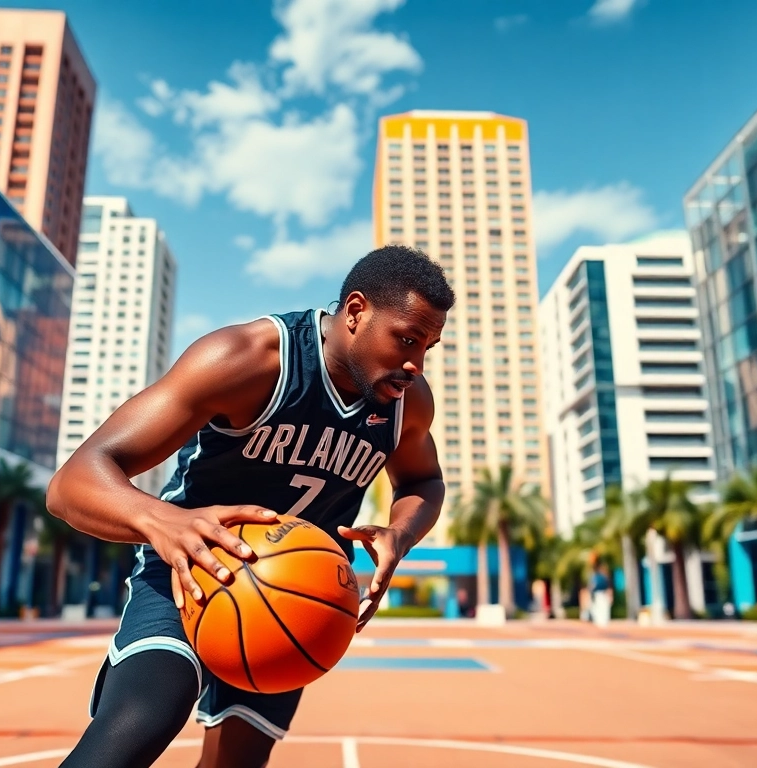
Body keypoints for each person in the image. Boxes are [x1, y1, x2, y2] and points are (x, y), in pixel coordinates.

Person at [47, 245, 453, 768]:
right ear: (356, 312)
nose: (415, 364)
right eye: (407, 339)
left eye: (429, 347)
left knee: (236, 763)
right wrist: (165, 521)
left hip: (296, 593)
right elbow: (72, 482)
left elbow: (424, 479)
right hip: (191, 574)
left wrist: (402, 531)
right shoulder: (247, 359)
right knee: (142, 722)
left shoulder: (407, 400)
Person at [590, 563, 613, 628]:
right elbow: (592, 586)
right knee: (597, 609)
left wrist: (610, 595)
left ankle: (603, 622)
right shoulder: (596, 577)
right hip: (597, 594)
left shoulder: (604, 578)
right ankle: (599, 622)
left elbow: (609, 587)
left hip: (603, 594)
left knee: (604, 609)